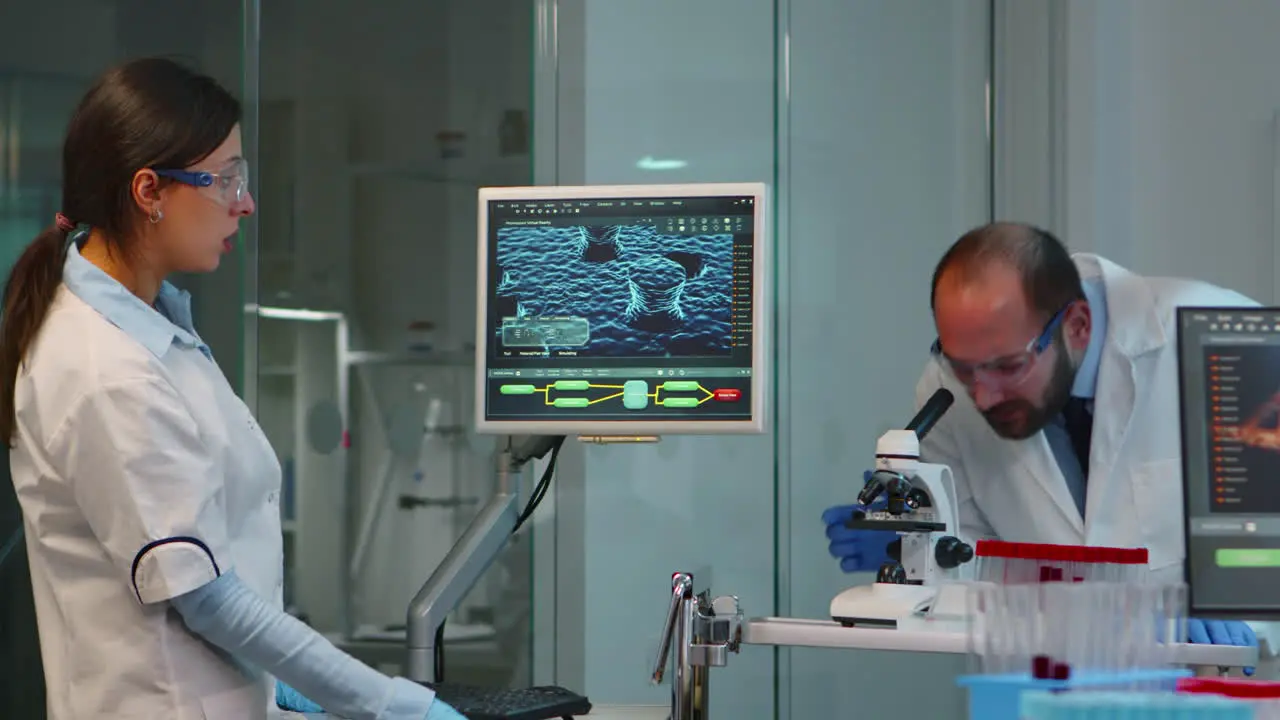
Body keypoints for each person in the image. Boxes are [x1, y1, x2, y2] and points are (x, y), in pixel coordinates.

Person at [0, 57, 465, 719]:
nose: (244, 202)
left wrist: (274, 685)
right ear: (149, 192)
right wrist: (390, 704)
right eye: (225, 179)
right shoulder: (104, 369)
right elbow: (208, 599)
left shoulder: (155, 333)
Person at [822, 223, 1271, 661]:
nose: (983, 394)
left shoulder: (1223, 338)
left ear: (1076, 326)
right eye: (964, 368)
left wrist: (1246, 614)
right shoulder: (947, 389)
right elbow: (971, 566)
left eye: (1007, 366)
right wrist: (918, 552)